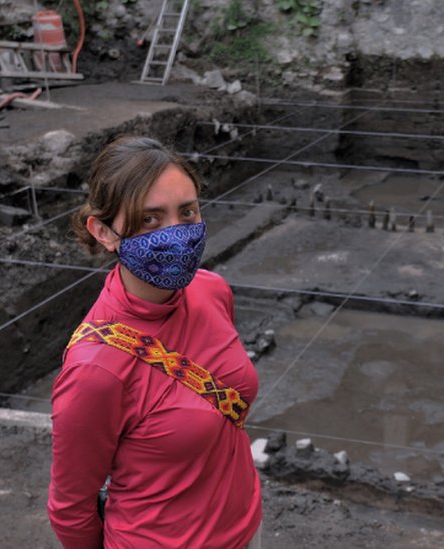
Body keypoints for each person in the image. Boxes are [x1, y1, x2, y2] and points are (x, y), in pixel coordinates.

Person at [47, 136, 262, 548]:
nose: (177, 234)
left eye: (187, 212)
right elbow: (70, 507)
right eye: (150, 219)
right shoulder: (95, 370)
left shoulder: (211, 291)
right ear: (104, 232)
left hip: (246, 530)